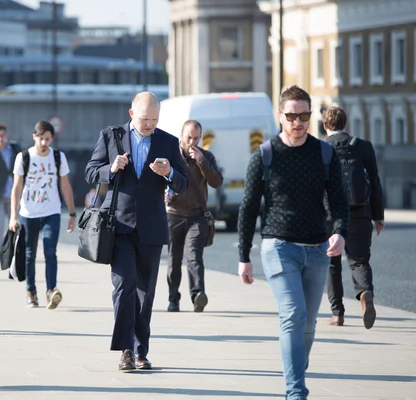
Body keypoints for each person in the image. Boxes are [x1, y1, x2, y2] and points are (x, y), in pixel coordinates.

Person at [237, 85, 349, 400]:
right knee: (293, 315)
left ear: (310, 116)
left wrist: (339, 231)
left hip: (317, 250)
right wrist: (244, 256)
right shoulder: (265, 155)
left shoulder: (325, 153)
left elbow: (339, 201)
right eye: (291, 116)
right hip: (278, 246)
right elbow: (248, 207)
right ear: (280, 116)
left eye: (303, 116)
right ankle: (296, 391)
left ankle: (295, 371)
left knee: (308, 325)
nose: (297, 122)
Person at [85, 92, 188, 371]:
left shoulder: (168, 141)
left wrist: (169, 173)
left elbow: (183, 184)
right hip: (118, 225)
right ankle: (126, 351)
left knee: (146, 292)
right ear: (132, 114)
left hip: (152, 228)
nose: (149, 125)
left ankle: (142, 351)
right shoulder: (111, 136)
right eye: (144, 119)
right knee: (124, 285)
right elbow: (90, 172)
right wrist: (111, 168)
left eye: (154, 120)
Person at [322, 106, 385, 329]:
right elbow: (375, 183)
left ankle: (337, 313)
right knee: (359, 260)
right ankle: (365, 293)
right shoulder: (363, 147)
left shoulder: (321, 148)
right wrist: (378, 216)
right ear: (345, 124)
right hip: (360, 211)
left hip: (329, 214)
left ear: (324, 125)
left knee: (332, 264)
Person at [8, 121, 76, 309]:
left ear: (52, 139)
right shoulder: (24, 157)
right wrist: (13, 216)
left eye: (48, 139)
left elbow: (65, 185)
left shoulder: (58, 157)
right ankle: (31, 292)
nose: (44, 143)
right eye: (41, 139)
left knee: (50, 251)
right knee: (29, 254)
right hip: (28, 212)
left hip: (51, 211)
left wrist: (72, 213)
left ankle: (51, 291)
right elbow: (17, 187)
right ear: (34, 137)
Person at [165, 120, 223, 313]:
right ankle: (173, 298)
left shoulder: (206, 157)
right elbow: (157, 179)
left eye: (196, 138)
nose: (192, 141)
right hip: (173, 214)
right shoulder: (170, 156)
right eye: (189, 137)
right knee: (174, 260)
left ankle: (198, 295)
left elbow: (216, 182)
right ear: (181, 135)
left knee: (194, 257)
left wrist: (202, 161)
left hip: (197, 215)